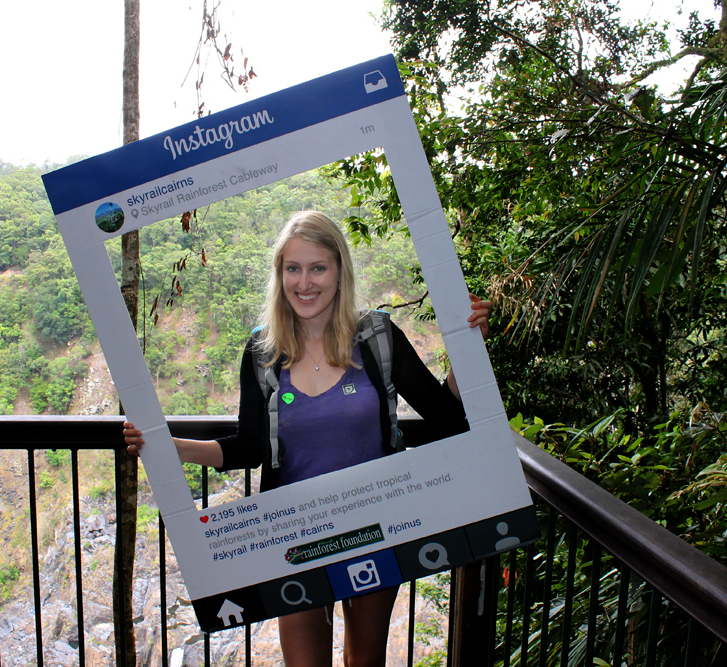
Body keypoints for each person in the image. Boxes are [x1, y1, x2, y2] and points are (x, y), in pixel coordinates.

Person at [124, 211, 490, 667]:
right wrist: (166, 445)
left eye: (318, 267)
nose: (305, 282)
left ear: (339, 270)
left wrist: (469, 346)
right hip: (294, 535)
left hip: (377, 525)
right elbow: (248, 448)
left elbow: (447, 420)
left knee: (365, 662)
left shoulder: (378, 337)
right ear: (279, 275)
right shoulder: (262, 352)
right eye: (292, 268)